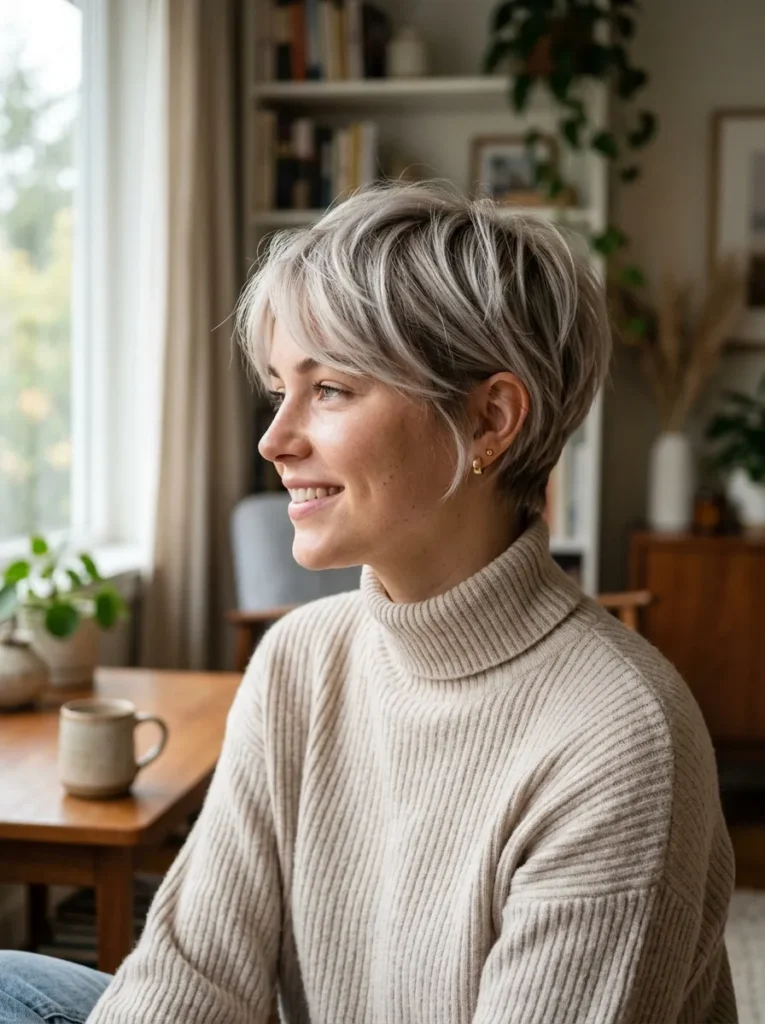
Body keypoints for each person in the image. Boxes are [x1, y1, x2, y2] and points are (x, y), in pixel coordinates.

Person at [0, 181, 737, 1023]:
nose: (274, 441)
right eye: (279, 389)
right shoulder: (299, 658)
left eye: (330, 389)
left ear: (490, 419)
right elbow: (195, 973)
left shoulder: (619, 739)